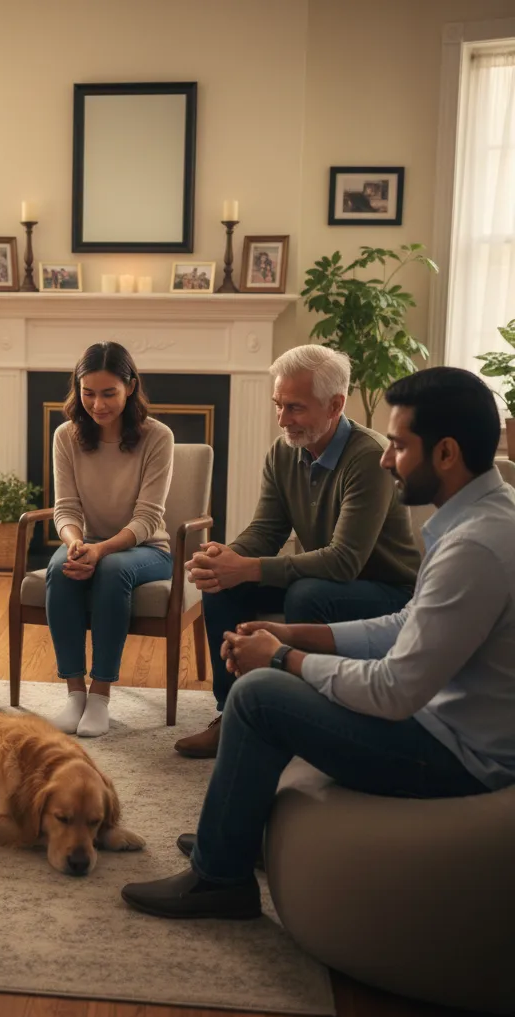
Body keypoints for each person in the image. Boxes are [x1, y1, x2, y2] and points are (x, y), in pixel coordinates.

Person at [121, 367, 515, 920]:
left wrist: (283, 659)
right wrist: (290, 632)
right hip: (443, 724)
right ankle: (243, 837)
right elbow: (404, 625)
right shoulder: (483, 519)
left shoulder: (474, 546)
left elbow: (395, 689)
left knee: (260, 696)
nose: (385, 458)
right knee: (269, 658)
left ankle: (219, 878)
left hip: (456, 758)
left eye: (399, 446)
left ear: (446, 453)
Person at [176, 344, 420, 758]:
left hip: (387, 589)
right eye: (278, 405)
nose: (282, 419)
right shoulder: (284, 451)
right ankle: (233, 713)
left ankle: (304, 719)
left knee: (307, 593)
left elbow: (344, 561)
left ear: (335, 404)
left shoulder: (368, 458)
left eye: (295, 408)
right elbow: (266, 531)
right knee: (221, 584)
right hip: (326, 578)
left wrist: (248, 568)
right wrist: (227, 558)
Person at [47, 342, 174, 738]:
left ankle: (100, 693)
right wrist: (74, 543)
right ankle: (74, 694)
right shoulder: (66, 436)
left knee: (112, 568)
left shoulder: (158, 436)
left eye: (108, 393)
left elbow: (148, 518)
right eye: (88, 393)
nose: (97, 404)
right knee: (59, 567)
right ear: (77, 388)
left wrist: (100, 550)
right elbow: (65, 508)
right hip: (91, 543)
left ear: (130, 387)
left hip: (148, 549)